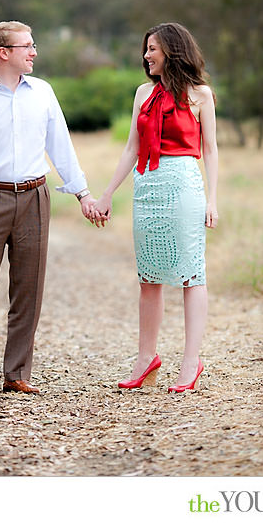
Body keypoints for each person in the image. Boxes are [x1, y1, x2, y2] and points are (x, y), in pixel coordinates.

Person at [0, 21, 100, 397]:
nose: (34, 52)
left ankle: (16, 373)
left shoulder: (42, 93)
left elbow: (61, 147)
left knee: (28, 291)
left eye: (33, 44)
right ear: (3, 53)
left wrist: (83, 194)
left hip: (34, 199)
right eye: (26, 46)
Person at [92, 22, 218, 393]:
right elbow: (131, 148)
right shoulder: (142, 93)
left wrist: (212, 199)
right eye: (146, 49)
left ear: (172, 51)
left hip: (183, 184)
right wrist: (107, 194)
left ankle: (191, 362)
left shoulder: (200, 95)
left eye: (153, 49)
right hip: (147, 186)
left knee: (191, 274)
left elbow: (210, 149)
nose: (146, 56)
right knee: (148, 277)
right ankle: (146, 357)